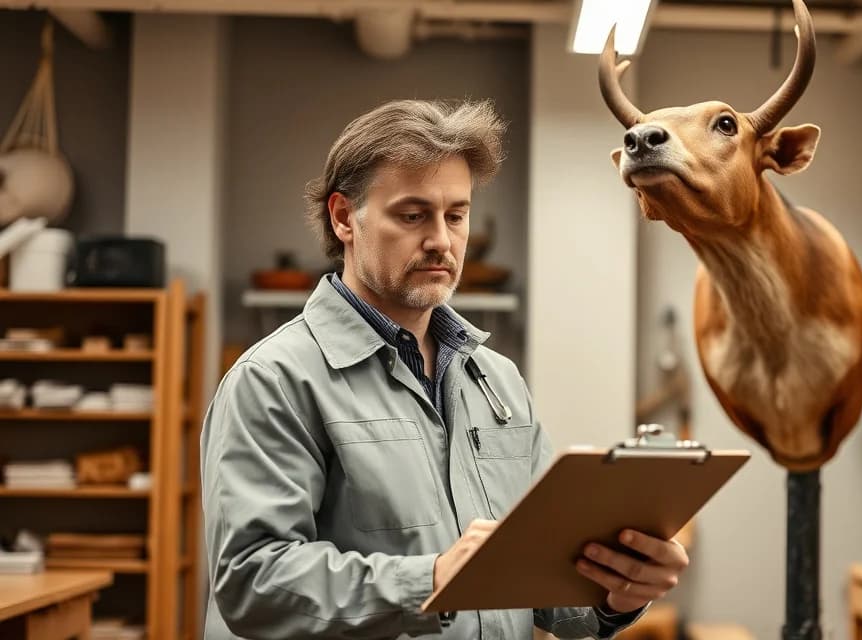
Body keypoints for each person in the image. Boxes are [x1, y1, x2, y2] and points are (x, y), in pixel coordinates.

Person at [200, 99, 689, 639]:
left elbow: (546, 582)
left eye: (456, 215)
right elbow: (252, 581)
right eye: (412, 216)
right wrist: (429, 580)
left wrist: (616, 592)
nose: (441, 240)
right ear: (344, 218)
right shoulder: (274, 381)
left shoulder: (497, 380)